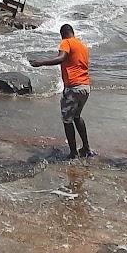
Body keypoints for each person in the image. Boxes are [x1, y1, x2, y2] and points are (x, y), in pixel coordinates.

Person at [30, 23, 93, 159]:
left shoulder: (66, 42)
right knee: (76, 117)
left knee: (67, 120)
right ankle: (86, 148)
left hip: (73, 87)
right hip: (85, 87)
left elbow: (61, 58)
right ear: (73, 32)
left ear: (62, 34)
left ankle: (73, 153)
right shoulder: (82, 45)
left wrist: (41, 63)